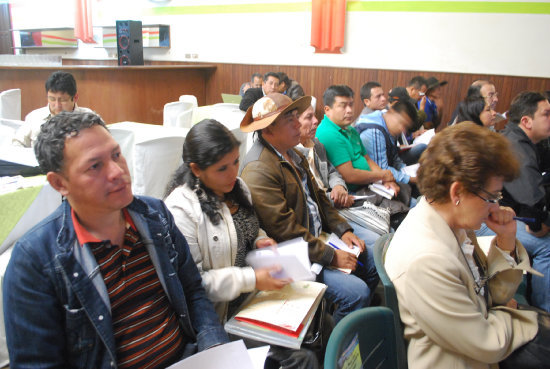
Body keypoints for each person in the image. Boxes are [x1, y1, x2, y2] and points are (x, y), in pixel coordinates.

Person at [3, 112, 228, 368]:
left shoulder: (155, 216)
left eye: (116, 155)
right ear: (59, 183)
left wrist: (215, 348)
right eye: (95, 166)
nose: (117, 171)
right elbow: (38, 364)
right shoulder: (34, 262)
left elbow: (192, 291)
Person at [164, 119, 320, 368]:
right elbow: (195, 285)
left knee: (320, 323)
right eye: (222, 168)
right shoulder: (181, 209)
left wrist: (260, 239)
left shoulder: (237, 188)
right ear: (196, 169)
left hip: (256, 298)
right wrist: (252, 279)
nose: (233, 173)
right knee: (303, 357)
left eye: (236, 162)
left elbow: (249, 227)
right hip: (224, 315)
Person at [385, 122, 542, 369]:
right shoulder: (426, 259)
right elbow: (486, 343)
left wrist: (506, 239)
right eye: (491, 197)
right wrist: (527, 317)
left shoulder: (453, 222)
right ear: (457, 191)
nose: (495, 207)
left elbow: (496, 295)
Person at [240, 93, 379, 323]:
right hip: (295, 256)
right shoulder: (259, 169)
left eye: (297, 117)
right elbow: (285, 231)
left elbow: (320, 200)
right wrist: (331, 255)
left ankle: (352, 321)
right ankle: (332, 349)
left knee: (371, 260)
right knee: (356, 294)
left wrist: (343, 230)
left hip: (316, 239)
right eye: (290, 121)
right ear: (268, 130)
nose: (299, 125)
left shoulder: (292, 153)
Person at [295, 103, 382, 246]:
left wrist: (339, 187)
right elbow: (306, 198)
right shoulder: (291, 155)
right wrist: (336, 198)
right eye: (309, 117)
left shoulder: (316, 144)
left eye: (314, 116)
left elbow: (332, 172)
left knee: (382, 233)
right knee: (375, 241)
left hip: (336, 202)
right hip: (323, 211)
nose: (316, 121)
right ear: (294, 123)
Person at [500, 91, 550, 312]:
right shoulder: (516, 145)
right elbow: (533, 202)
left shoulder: (524, 140)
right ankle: (543, 310)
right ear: (526, 121)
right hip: (485, 219)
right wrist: (542, 223)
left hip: (504, 212)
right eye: (546, 114)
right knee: (547, 244)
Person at [12, 71, 93, 147]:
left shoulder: (89, 118)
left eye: (63, 100)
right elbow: (17, 144)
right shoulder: (34, 117)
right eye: (52, 99)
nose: (57, 106)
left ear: (75, 98)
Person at [355, 99, 418, 186]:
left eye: (406, 127)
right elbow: (382, 170)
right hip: (367, 183)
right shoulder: (375, 131)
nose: (402, 129)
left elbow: (394, 157)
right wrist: (410, 178)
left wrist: (405, 169)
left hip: (383, 176)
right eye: (401, 123)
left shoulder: (388, 123)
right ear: (391, 111)